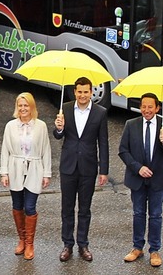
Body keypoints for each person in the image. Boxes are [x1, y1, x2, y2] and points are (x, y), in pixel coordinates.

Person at [118, 92, 163, 267]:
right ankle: (137, 247)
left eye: (150, 107)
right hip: (137, 179)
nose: (146, 110)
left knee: (155, 215)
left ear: (157, 108)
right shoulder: (131, 125)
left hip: (158, 180)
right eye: (143, 106)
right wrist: (138, 168)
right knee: (138, 213)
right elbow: (123, 150)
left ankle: (154, 250)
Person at [53, 77, 109, 262]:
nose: (83, 95)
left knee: (85, 209)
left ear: (91, 92)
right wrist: (59, 128)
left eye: (86, 92)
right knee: (67, 208)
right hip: (68, 166)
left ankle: (83, 244)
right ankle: (67, 244)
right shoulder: (66, 109)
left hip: (88, 167)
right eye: (80, 91)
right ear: (75, 91)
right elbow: (58, 135)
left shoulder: (100, 113)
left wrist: (104, 170)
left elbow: (103, 142)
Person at [0, 92, 52, 260]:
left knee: (30, 207)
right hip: (15, 168)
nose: (23, 108)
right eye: (20, 105)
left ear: (32, 107)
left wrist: (46, 173)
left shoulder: (41, 126)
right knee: (17, 205)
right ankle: (21, 239)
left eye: (26, 105)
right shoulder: (10, 126)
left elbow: (46, 150)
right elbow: (5, 150)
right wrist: (4, 172)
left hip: (35, 168)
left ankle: (30, 243)